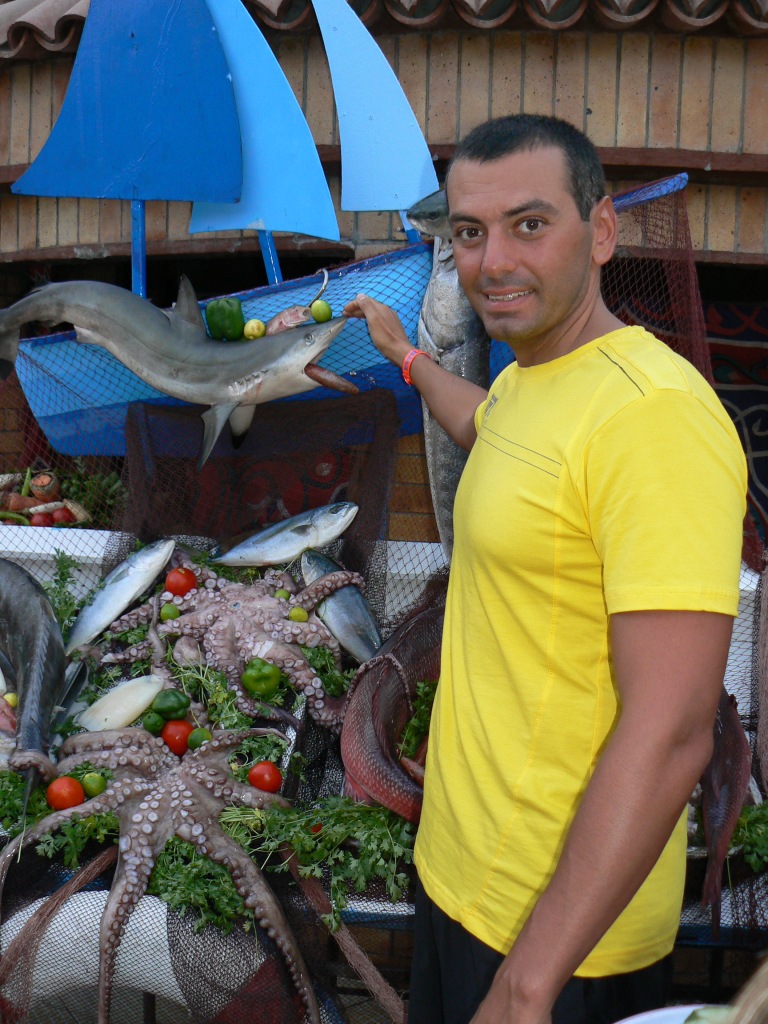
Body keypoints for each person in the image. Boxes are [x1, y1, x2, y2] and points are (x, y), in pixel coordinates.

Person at [343, 114, 747, 1024]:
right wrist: (406, 358)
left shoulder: (653, 420)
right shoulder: (532, 381)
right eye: (470, 233)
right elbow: (488, 431)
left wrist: (527, 989)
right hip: (460, 877)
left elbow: (673, 732)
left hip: (557, 939)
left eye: (530, 225)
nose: (494, 262)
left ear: (600, 232)